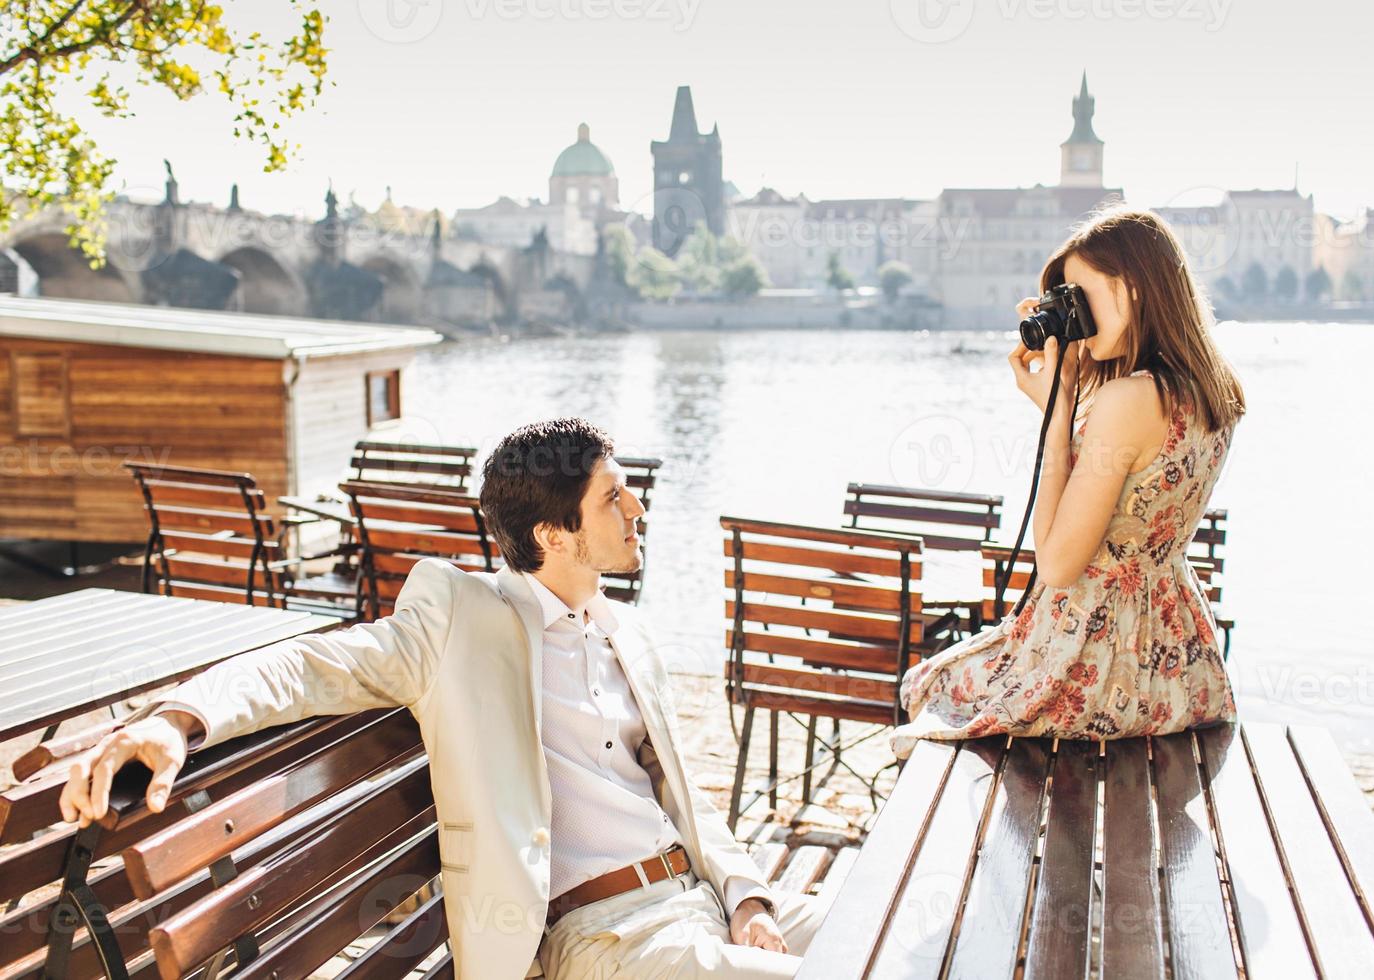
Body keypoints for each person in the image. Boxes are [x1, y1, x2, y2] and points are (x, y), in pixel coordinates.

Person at [59, 418, 828, 979]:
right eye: (613, 499)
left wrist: (749, 900)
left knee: (929, 943)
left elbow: (690, 803)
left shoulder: (625, 632)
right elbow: (308, 664)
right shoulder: (460, 618)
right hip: (605, 940)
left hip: (701, 898)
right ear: (553, 535)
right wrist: (173, 720)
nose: (639, 513)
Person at [894, 207, 1246, 757]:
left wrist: (1057, 417)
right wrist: (1072, 391)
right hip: (1180, 664)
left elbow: (1057, 566)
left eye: (1080, 296)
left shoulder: (1129, 399)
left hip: (1096, 666)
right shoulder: (1208, 387)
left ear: (1129, 291)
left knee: (928, 686)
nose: (1074, 315)